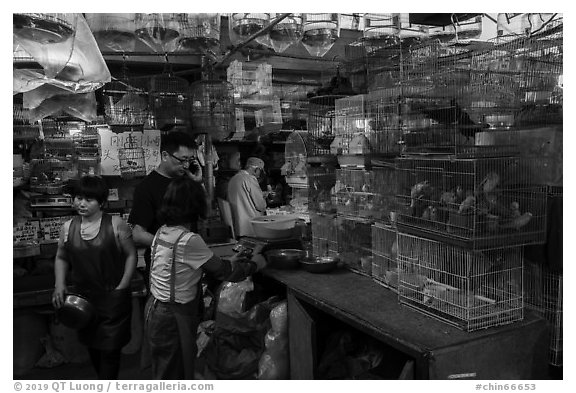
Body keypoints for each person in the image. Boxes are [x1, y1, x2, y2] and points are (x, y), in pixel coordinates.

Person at [144, 177, 267, 380]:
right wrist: (257, 262)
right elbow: (226, 273)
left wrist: (230, 260)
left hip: (156, 309)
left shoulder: (162, 232)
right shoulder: (189, 239)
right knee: (175, 371)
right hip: (173, 316)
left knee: (166, 367)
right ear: (194, 206)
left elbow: (194, 265)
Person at [52, 175, 137, 379]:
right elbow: (62, 257)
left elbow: (131, 255)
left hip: (113, 299)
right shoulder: (67, 228)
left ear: (101, 202)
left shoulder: (116, 225)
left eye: (88, 199)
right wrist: (59, 284)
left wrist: (123, 285)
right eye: (78, 198)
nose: (81, 203)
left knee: (110, 352)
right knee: (93, 349)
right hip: (83, 300)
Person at [128, 131, 203, 283]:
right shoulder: (147, 187)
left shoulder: (187, 181)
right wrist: (176, 246)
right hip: (164, 268)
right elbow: (138, 234)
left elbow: (204, 213)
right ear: (164, 155)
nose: (187, 165)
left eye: (190, 160)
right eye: (182, 160)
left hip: (190, 264)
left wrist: (197, 182)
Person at [227, 157, 267, 237]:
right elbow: (260, 206)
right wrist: (264, 199)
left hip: (237, 226)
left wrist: (261, 194)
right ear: (256, 169)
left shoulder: (234, 179)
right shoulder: (250, 179)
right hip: (250, 227)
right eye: (260, 171)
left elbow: (243, 195)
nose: (259, 174)